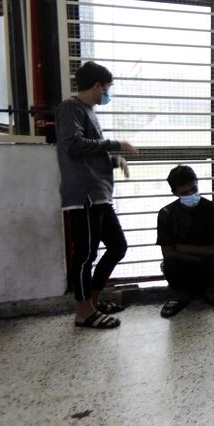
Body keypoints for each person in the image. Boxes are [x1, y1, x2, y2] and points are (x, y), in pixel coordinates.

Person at [56, 61, 138, 329]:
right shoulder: (71, 108)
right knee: (85, 254)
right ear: (97, 86)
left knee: (117, 246)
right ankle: (83, 313)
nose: (107, 94)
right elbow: (73, 145)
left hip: (99, 194)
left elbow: (91, 151)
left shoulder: (89, 111)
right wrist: (117, 144)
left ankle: (94, 300)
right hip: (84, 196)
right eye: (107, 88)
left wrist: (114, 159)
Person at [156, 165, 214, 317]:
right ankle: (180, 295)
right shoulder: (166, 214)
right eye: (184, 192)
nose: (191, 194)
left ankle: (210, 292)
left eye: (193, 189)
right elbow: (167, 253)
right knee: (170, 262)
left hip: (208, 265)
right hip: (183, 265)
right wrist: (200, 257)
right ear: (175, 193)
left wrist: (184, 249)